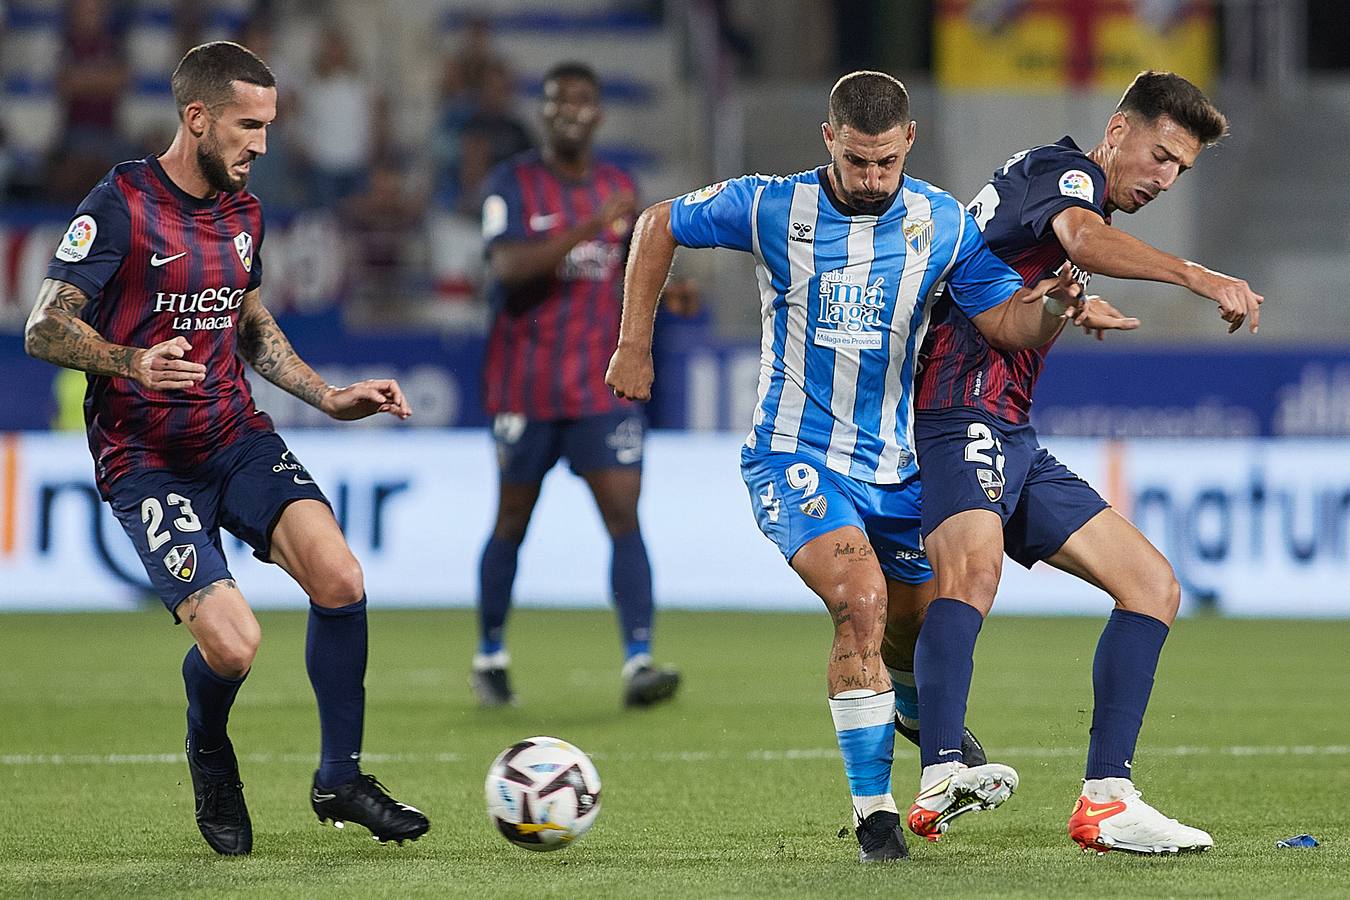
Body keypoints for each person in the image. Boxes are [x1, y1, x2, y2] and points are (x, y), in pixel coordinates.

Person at [606, 70, 1081, 863]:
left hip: (898, 468)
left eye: (884, 163)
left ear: (909, 144)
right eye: (857, 162)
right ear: (829, 139)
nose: (869, 179)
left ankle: (913, 714)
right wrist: (633, 341)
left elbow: (1005, 319)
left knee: (917, 628)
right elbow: (658, 223)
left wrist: (1056, 305)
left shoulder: (940, 220)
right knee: (858, 601)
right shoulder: (772, 205)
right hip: (793, 456)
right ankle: (875, 821)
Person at [23, 41, 429, 856]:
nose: (262, 144)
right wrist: (131, 360)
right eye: (249, 125)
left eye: (270, 127)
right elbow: (44, 326)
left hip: (234, 435)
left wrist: (325, 395)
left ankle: (340, 779)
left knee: (341, 576)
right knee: (234, 646)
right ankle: (209, 749)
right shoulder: (121, 204)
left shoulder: (246, 211)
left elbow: (245, 321)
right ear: (197, 116)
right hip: (145, 459)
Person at [904, 70, 1262, 854]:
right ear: (1118, 130)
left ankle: (1107, 799)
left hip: (1011, 429)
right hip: (958, 408)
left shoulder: (1055, 188)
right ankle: (938, 773)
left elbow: (1043, 266)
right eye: (1161, 156)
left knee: (1152, 586)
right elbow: (1081, 237)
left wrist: (1070, 304)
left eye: (1181, 170)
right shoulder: (1065, 174)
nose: (1165, 178)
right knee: (971, 574)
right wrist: (1197, 276)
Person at [471, 62, 682, 710]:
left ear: (597, 113)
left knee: (624, 515)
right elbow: (508, 269)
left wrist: (672, 295)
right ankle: (491, 654)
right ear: (543, 111)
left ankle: (640, 660)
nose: (571, 112)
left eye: (582, 102)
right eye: (559, 101)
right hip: (525, 384)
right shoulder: (512, 184)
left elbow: (630, 275)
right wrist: (593, 223)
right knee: (512, 519)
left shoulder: (621, 183)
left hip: (599, 387)